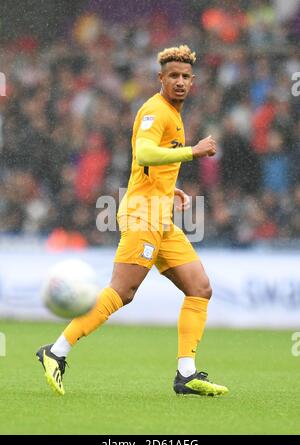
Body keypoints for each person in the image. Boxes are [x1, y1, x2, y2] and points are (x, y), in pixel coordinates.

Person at [36, 45, 229, 397]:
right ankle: (55, 351)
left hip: (161, 216)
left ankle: (185, 375)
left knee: (200, 288)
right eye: (173, 76)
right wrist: (193, 151)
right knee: (123, 291)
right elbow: (143, 152)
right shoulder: (156, 110)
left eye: (186, 76)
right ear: (161, 78)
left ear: (193, 80)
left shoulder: (173, 112)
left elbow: (148, 165)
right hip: (142, 215)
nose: (180, 82)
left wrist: (171, 189)